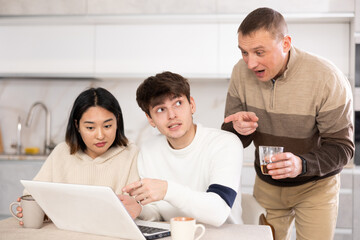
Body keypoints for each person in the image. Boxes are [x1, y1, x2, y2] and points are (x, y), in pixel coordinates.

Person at [221, 7, 354, 240]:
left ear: (285, 44)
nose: (250, 63)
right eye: (244, 52)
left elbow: (342, 148)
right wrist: (237, 130)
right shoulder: (240, 73)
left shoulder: (327, 78)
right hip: (267, 187)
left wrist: (301, 164)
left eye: (259, 52)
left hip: (316, 187)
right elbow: (231, 137)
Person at [122, 71, 243, 227]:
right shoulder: (148, 151)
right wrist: (139, 209)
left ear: (191, 105)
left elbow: (218, 212)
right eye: (161, 109)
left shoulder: (225, 144)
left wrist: (167, 190)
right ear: (150, 119)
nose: (172, 115)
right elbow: (156, 212)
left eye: (178, 103)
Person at [16, 87, 142, 225]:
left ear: (117, 121)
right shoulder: (62, 152)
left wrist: (138, 207)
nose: (100, 136)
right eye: (90, 128)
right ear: (77, 125)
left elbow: (142, 207)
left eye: (107, 126)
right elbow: (31, 193)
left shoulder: (131, 154)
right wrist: (37, 210)